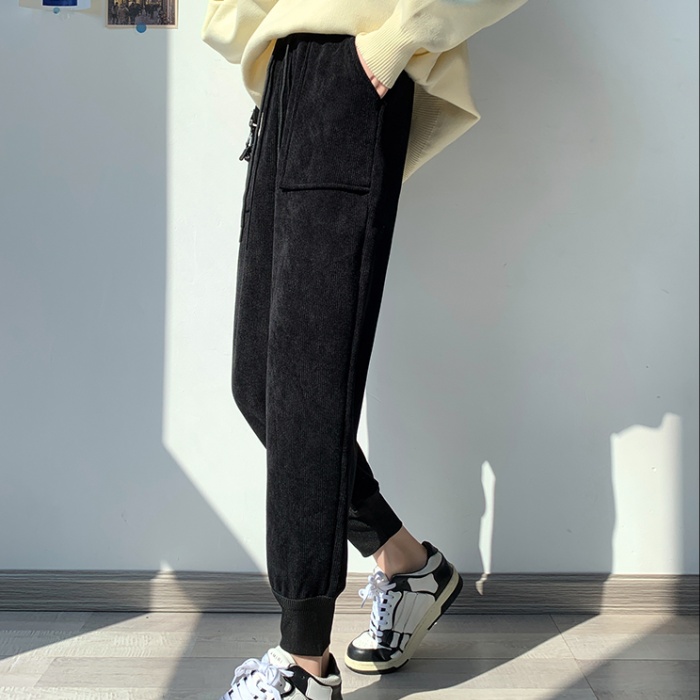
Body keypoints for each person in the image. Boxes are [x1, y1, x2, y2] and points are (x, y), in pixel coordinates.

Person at [201, 1, 528, 698]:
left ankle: (304, 665)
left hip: (350, 67)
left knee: (306, 387)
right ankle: (409, 566)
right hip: (289, 78)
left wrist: (395, 41)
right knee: (260, 386)